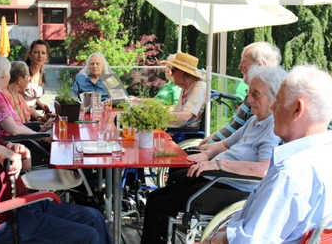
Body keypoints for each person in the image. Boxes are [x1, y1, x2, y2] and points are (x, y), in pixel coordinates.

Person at [0, 74, 112, 244]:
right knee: (88, 237)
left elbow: (25, 165)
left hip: (23, 208)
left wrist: (22, 152)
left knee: (94, 217)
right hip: (3, 223)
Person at [140, 66, 287, 244]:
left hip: (233, 187)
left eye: (256, 94)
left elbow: (264, 169)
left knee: (158, 204)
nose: (249, 99)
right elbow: (225, 143)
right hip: (218, 178)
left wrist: (217, 165)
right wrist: (207, 153)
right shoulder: (254, 120)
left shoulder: (271, 129)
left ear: (275, 97)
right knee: (166, 187)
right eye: (249, 93)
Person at [201, 65, 332, 244]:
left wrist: (213, 240)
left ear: (297, 109)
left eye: (278, 100)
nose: (273, 106)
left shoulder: (290, 173)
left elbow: (250, 242)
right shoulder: (324, 156)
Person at [199, 41, 282, 146]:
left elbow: (246, 142)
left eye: (244, 63)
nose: (239, 67)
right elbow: (236, 128)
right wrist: (213, 137)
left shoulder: (263, 102)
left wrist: (211, 148)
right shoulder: (253, 96)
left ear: (260, 65)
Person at [130, 53, 206, 128]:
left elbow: (185, 117)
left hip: (181, 131)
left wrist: (155, 116)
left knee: (134, 123)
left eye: (172, 70)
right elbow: (177, 111)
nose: (171, 74)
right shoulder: (186, 87)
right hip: (172, 127)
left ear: (181, 72)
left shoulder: (199, 87)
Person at [0, 54, 41, 138]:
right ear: (3, 73)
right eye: (9, 72)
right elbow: (13, 129)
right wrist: (38, 135)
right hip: (12, 143)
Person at [3, 61, 54, 130]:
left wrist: (40, 118)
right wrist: (40, 130)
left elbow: (28, 109)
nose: (28, 81)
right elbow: (15, 128)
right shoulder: (5, 97)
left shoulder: (17, 94)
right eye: (28, 78)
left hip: (27, 130)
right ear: (19, 80)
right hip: (22, 137)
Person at [23, 39, 52, 121]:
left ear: (46, 56)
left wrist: (40, 104)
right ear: (30, 54)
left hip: (31, 114)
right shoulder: (23, 73)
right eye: (36, 52)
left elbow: (31, 96)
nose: (40, 56)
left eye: (43, 53)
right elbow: (17, 100)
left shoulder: (41, 73)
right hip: (21, 116)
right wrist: (37, 117)